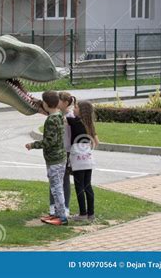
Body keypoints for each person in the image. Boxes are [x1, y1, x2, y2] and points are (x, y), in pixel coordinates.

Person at [26, 90, 67, 226]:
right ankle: (56, 213)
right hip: (59, 157)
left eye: (43, 102)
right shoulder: (59, 115)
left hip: (54, 159)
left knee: (56, 189)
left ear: (46, 104)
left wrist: (33, 145)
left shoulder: (51, 120)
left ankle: (62, 218)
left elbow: (49, 141)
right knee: (56, 187)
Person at [67, 100, 99, 222]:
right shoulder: (89, 125)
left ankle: (82, 213)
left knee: (79, 186)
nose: (73, 110)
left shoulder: (74, 122)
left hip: (77, 159)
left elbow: (63, 117)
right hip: (88, 158)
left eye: (75, 107)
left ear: (81, 111)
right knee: (88, 185)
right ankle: (91, 214)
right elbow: (97, 142)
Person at [47, 92, 75, 218]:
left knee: (64, 179)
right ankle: (53, 206)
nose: (56, 103)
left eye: (58, 100)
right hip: (56, 150)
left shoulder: (70, 116)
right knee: (53, 180)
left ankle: (65, 207)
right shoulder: (56, 114)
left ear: (65, 103)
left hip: (66, 151)